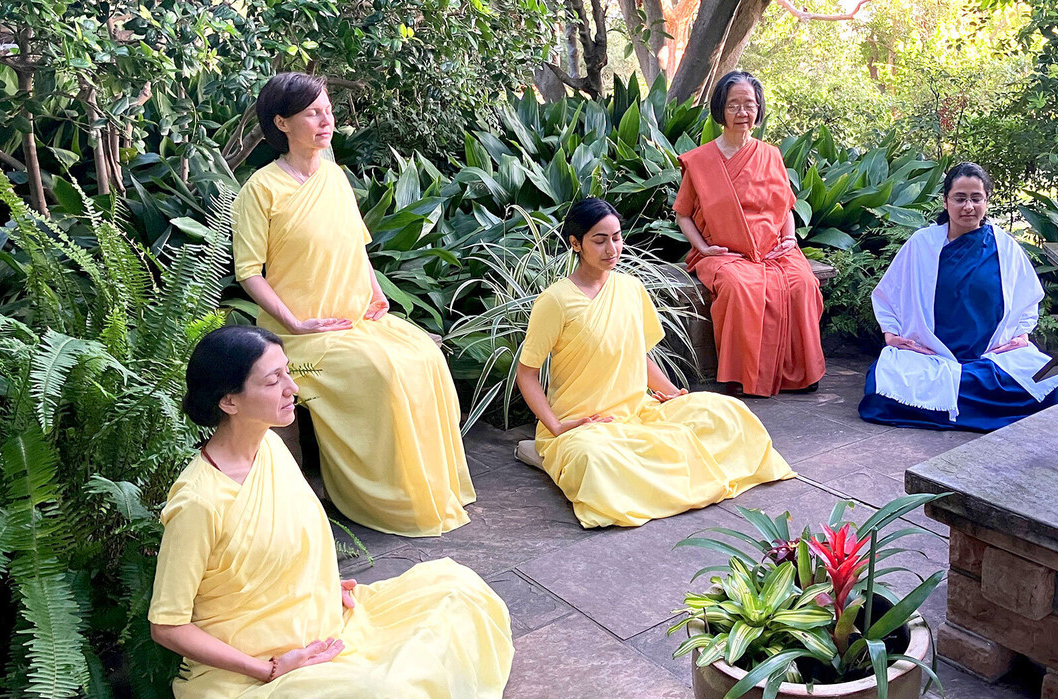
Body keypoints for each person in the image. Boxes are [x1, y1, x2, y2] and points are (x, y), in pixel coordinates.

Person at [149, 325, 513, 699]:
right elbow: (167, 626)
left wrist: (318, 586)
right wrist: (269, 669)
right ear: (230, 401)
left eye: (288, 372)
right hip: (254, 672)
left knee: (457, 587)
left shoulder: (270, 446)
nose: (292, 388)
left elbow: (279, 543)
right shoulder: (198, 503)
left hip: (321, 623)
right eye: (274, 381)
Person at [232, 72, 473, 536]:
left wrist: (375, 289)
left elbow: (355, 245)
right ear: (282, 123)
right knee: (381, 373)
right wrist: (295, 323)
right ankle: (385, 496)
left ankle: (427, 485)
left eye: (328, 110)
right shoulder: (261, 190)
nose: (327, 121)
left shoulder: (335, 176)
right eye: (313, 113)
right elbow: (249, 273)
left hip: (355, 316)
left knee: (424, 357)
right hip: (300, 333)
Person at [515, 198, 795, 528]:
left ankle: (654, 479)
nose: (612, 249)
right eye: (599, 240)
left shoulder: (631, 288)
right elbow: (527, 374)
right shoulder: (556, 300)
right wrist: (557, 427)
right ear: (576, 244)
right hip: (585, 424)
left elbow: (638, 355)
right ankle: (548, 451)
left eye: (617, 237)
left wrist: (673, 394)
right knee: (597, 460)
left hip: (639, 410)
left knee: (726, 413)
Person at [858, 163, 1058, 431]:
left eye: (976, 199)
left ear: (986, 201)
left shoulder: (1005, 247)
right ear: (945, 201)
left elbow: (1027, 298)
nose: (968, 207)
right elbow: (889, 294)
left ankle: (948, 407)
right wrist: (892, 335)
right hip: (931, 356)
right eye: (960, 198)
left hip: (990, 357)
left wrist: (1021, 335)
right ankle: (985, 405)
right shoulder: (922, 244)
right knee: (880, 386)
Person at [673, 70, 826, 397]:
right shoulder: (701, 161)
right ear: (720, 110)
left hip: (775, 249)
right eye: (733, 105)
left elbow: (784, 205)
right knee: (741, 288)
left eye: (749, 104)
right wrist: (704, 247)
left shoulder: (771, 155)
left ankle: (801, 374)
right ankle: (744, 377)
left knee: (803, 283)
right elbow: (683, 214)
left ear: (758, 109)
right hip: (723, 253)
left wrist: (789, 239)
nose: (742, 113)